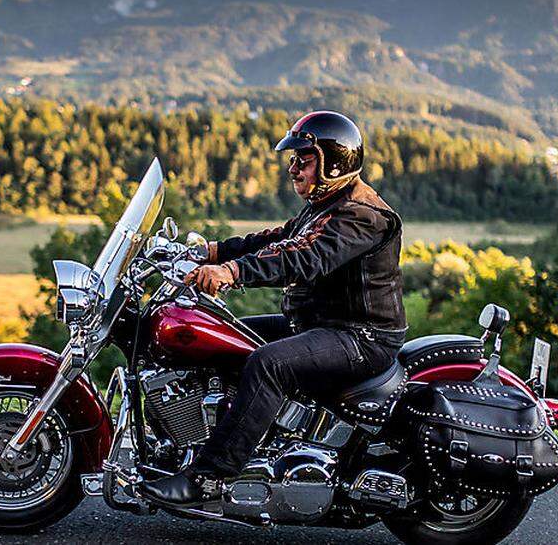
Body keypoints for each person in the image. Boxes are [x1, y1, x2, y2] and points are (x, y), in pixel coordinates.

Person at [137, 110, 407, 507]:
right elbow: (278, 238)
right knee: (222, 339)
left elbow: (303, 257)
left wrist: (231, 271)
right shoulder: (326, 204)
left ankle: (210, 477)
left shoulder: (361, 215)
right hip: (317, 324)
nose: (293, 168)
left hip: (361, 337)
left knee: (269, 363)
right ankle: (209, 441)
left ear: (334, 162)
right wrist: (209, 251)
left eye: (304, 159)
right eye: (293, 160)